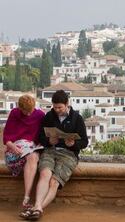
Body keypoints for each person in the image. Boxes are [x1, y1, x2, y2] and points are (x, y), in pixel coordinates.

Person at [20, 90, 88, 220]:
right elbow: (40, 136)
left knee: (54, 182)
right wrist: (48, 141)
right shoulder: (49, 117)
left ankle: (36, 208)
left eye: (60, 107)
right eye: (55, 107)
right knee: (45, 174)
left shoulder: (77, 119)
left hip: (69, 154)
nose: (57, 110)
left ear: (67, 104)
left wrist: (73, 144)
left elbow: (84, 142)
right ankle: (37, 209)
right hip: (50, 150)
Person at [3, 95, 45, 212]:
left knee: (32, 157)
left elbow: (43, 135)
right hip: (15, 151)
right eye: (25, 111)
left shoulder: (40, 115)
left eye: (30, 111)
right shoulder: (14, 113)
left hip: (31, 149)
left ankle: (26, 198)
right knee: (31, 158)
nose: (27, 114)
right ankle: (27, 199)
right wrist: (12, 146)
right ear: (19, 108)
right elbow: (7, 138)